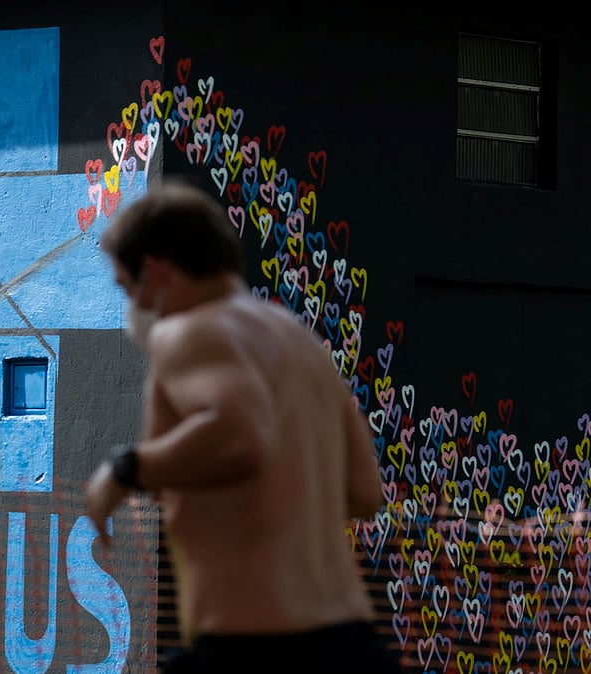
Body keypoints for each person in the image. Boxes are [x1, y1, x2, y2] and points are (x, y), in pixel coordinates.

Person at [82, 181, 404, 673]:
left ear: (155, 272)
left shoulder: (189, 329)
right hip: (350, 643)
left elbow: (239, 435)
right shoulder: (296, 340)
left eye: (127, 287)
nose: (131, 308)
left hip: (252, 646)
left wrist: (126, 470)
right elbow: (364, 491)